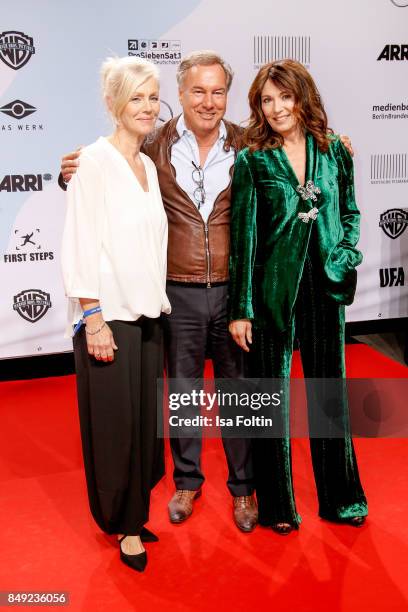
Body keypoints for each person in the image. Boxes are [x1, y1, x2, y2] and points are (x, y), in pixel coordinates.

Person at [59, 51, 353, 534]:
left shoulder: (250, 144)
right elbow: (107, 167)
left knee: (243, 395)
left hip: (237, 293)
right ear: (180, 94)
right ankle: (187, 481)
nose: (209, 101)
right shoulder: (152, 145)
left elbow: (301, 156)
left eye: (218, 91)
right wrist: (69, 168)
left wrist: (334, 144)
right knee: (182, 392)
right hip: (179, 290)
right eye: (198, 90)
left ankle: (244, 489)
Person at [228, 60, 368, 534]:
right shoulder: (252, 160)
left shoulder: (334, 152)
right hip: (273, 292)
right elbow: (244, 240)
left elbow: (350, 211)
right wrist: (241, 310)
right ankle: (278, 507)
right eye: (267, 101)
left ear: (302, 97)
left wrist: (345, 255)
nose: (276, 108)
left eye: (284, 97)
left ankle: (342, 499)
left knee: (329, 396)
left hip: (325, 287)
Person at [61, 56, 171, 571]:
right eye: (136, 98)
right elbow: (81, 243)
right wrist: (94, 318)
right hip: (110, 321)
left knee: (146, 428)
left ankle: (135, 511)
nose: (147, 107)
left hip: (149, 317)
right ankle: (124, 526)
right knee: (116, 429)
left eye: (153, 97)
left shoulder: (146, 164)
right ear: (112, 104)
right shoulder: (93, 162)